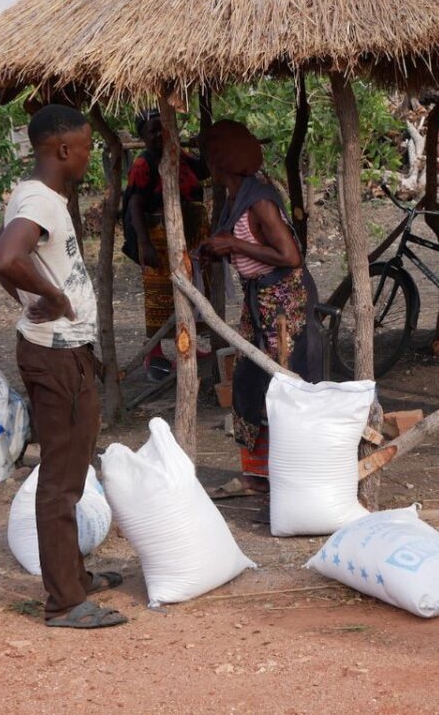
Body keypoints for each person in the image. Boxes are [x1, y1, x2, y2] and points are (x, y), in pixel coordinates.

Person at [0, 104, 126, 629]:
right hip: (55, 354)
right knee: (62, 482)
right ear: (63, 149)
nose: (90, 156)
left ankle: (75, 579)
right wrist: (51, 297)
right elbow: (4, 257)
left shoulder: (38, 198)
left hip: (63, 350)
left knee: (69, 470)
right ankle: (65, 602)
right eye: (87, 147)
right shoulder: (40, 199)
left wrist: (30, 298)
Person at [201, 120, 323, 522]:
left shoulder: (260, 201)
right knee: (251, 382)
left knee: (287, 385)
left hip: (283, 300)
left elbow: (290, 257)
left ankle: (292, 476)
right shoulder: (236, 197)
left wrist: (235, 244)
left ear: (223, 162)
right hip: (260, 299)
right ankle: (258, 475)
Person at [123, 109, 210, 380]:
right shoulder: (144, 163)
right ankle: (155, 354)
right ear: (143, 136)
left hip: (189, 236)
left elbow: (204, 170)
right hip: (158, 237)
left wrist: (202, 146)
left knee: (190, 292)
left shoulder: (179, 157)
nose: (160, 134)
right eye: (153, 130)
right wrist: (144, 244)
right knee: (160, 297)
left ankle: (190, 345)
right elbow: (135, 206)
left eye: (165, 128)